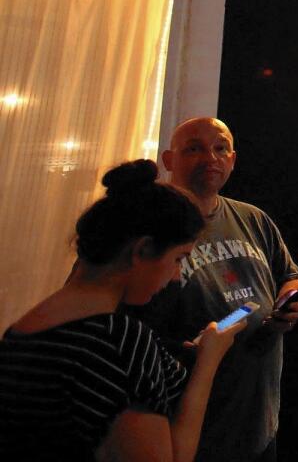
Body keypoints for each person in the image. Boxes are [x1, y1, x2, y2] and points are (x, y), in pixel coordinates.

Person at [0, 160, 240, 462]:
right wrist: (209, 360)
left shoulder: (23, 329)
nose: (177, 276)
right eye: (179, 258)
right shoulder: (119, 341)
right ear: (142, 250)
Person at [131, 118, 298, 462]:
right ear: (169, 160)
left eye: (220, 148)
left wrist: (290, 300)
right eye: (194, 148)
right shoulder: (148, 227)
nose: (210, 157)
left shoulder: (253, 217)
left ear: (233, 159)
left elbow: (291, 274)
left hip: (259, 420)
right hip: (190, 433)